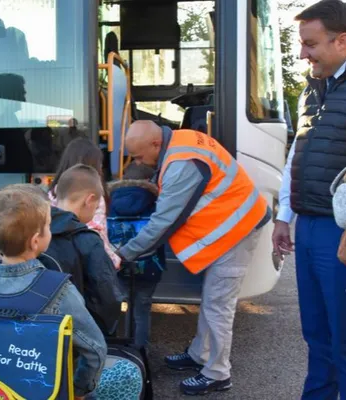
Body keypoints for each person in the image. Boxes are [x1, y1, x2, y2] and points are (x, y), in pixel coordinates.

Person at [116, 120, 271, 396]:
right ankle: (200, 354)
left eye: (139, 156)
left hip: (239, 228)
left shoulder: (181, 163)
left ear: (155, 144)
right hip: (234, 221)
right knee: (211, 299)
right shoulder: (182, 140)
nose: (138, 162)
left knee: (218, 304)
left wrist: (124, 254)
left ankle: (218, 373)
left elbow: (164, 222)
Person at [0, 185, 107, 400]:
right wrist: (79, 390)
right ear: (36, 240)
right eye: (49, 226)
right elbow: (95, 349)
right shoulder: (58, 289)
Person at [272, 1, 346, 398]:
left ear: (343, 41)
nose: (303, 54)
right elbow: (296, 155)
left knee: (345, 339)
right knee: (316, 333)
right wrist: (284, 216)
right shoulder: (312, 87)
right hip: (308, 226)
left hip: (343, 234)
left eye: (310, 44)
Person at [45, 164, 123, 335]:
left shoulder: (35, 232)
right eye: (96, 208)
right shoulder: (88, 240)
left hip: (40, 330)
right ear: (89, 200)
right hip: (78, 334)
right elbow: (107, 297)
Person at [108, 161, 165, 348]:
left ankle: (113, 352)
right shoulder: (157, 202)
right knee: (141, 310)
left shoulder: (109, 201)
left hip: (118, 265)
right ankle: (140, 355)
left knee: (116, 307)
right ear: (149, 180)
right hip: (149, 266)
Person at [49, 137, 121, 269]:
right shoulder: (94, 195)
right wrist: (113, 258)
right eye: (99, 164)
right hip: (89, 262)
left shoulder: (54, 192)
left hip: (60, 260)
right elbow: (97, 232)